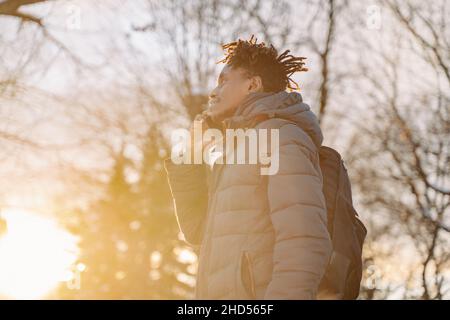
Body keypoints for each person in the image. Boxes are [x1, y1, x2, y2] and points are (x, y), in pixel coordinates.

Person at [164, 35, 332, 299]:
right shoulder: (239, 152)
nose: (213, 92)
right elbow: (199, 231)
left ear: (253, 84)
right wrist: (190, 159)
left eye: (224, 80)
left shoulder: (280, 137)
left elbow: (304, 241)